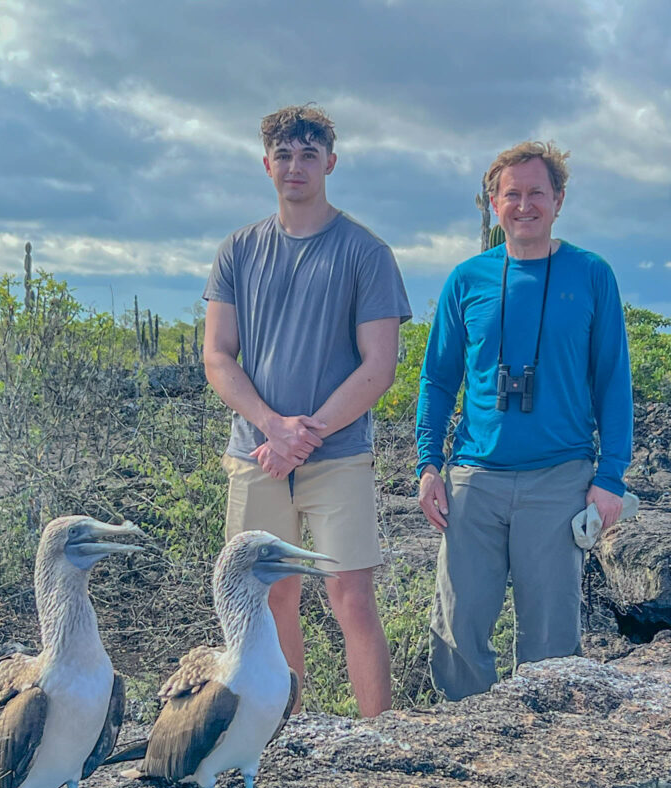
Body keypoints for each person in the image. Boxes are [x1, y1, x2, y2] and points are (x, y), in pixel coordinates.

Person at [203, 104, 411, 717]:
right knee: (271, 597)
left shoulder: (366, 252)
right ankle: (287, 733)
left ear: (330, 163)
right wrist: (273, 427)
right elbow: (218, 355)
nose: (296, 166)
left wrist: (305, 434)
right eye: (284, 155)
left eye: (309, 154)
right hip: (257, 453)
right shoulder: (237, 251)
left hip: (338, 453)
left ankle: (382, 737)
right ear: (267, 164)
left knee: (351, 594)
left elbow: (378, 367)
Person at [415, 141, 632, 701]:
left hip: (558, 478)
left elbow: (613, 380)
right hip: (475, 478)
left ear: (558, 200)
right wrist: (428, 465)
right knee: (459, 631)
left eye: (538, 192)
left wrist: (609, 479)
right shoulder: (467, 280)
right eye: (512, 194)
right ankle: (469, 746)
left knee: (551, 640)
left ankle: (543, 755)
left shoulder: (591, 275)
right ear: (493, 203)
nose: (525, 204)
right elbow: (438, 380)